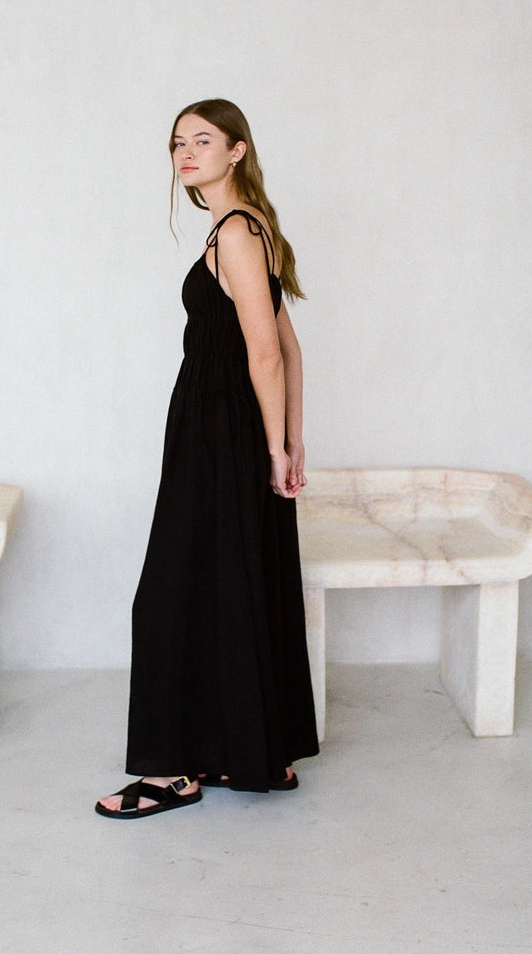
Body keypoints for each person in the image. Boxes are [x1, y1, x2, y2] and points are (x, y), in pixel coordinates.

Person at [96, 99, 318, 819]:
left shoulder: (237, 233)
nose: (185, 154)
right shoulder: (247, 229)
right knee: (228, 579)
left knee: (170, 592)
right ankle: (252, 752)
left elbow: (267, 352)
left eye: (202, 140)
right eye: (176, 143)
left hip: (221, 428)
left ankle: (171, 773)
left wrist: (277, 445)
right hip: (228, 427)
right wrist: (288, 438)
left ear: (237, 151)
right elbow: (288, 347)